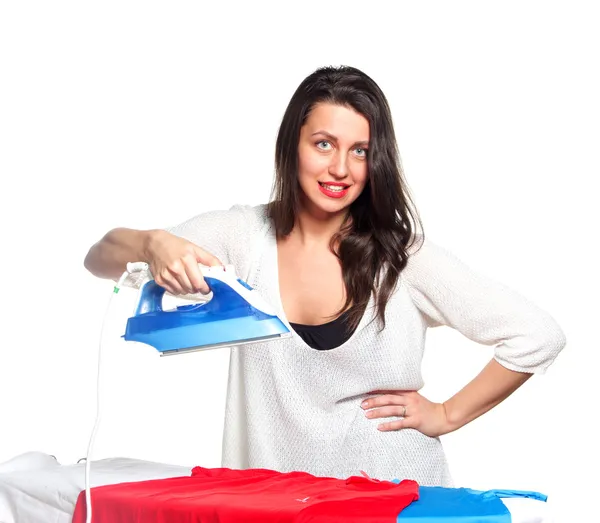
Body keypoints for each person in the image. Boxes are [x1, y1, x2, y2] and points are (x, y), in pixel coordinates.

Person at [84, 65, 566, 487]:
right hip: (273, 500)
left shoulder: (402, 258)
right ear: (291, 146)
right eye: (323, 144)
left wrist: (446, 414)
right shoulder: (242, 236)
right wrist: (152, 243)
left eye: (360, 151)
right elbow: (99, 257)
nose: (341, 168)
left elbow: (536, 335)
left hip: (394, 496)